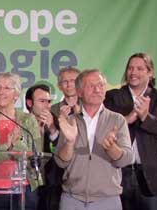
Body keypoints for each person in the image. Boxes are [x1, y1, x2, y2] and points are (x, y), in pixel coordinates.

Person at [103, 53, 157, 210]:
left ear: (150, 73)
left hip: (151, 176)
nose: (133, 72)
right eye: (130, 68)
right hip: (119, 172)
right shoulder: (112, 97)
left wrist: (145, 117)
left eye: (139, 68)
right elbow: (102, 128)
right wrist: (127, 119)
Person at [54, 69, 133, 210]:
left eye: (101, 85)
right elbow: (61, 162)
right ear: (79, 92)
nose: (97, 90)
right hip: (72, 199)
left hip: (108, 200)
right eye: (91, 86)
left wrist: (112, 148)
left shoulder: (117, 119)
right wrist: (70, 143)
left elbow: (126, 160)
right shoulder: (70, 121)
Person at [0, 72, 43, 210]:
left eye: (6, 88)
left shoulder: (28, 121)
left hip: (24, 190)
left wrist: (16, 144)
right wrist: (7, 147)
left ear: (16, 95)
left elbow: (35, 158)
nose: (0, 92)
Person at [24, 84, 62, 210]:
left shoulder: (57, 122)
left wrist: (51, 128)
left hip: (52, 184)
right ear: (29, 103)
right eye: (42, 101)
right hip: (29, 184)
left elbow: (62, 150)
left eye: (49, 101)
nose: (47, 105)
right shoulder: (21, 123)